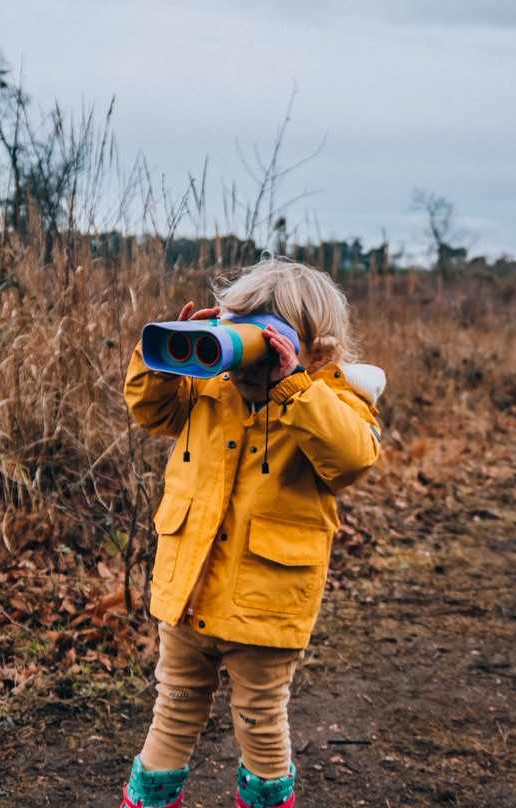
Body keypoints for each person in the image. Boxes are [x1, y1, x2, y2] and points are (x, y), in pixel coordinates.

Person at [120, 256, 384, 808]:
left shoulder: (332, 401)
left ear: (318, 350)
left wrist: (292, 390)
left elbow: (352, 458)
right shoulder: (211, 391)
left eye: (268, 337)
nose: (249, 352)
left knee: (261, 723)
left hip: (265, 607)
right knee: (173, 709)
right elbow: (149, 409)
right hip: (188, 591)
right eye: (240, 328)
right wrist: (170, 355)